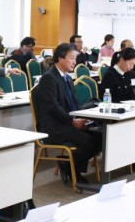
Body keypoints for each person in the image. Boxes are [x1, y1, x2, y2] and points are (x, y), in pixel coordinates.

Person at [33, 42, 102, 185]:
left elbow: (75, 104)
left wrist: (84, 118)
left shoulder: (68, 78)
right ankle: (72, 170)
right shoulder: (49, 78)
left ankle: (67, 164)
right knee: (87, 141)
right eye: (71, 58)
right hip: (55, 127)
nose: (75, 62)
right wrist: (72, 121)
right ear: (60, 58)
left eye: (75, 58)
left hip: (68, 122)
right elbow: (52, 107)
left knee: (100, 136)